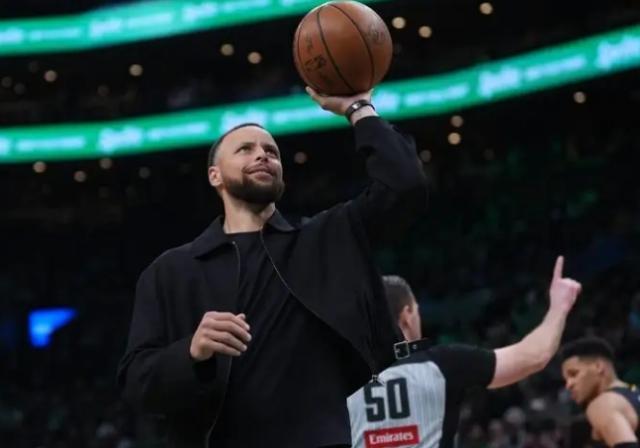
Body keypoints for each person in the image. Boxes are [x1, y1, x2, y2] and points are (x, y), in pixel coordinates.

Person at [116, 87, 428, 448]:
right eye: (245, 149)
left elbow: (405, 185)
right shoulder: (171, 271)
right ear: (215, 176)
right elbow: (137, 385)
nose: (263, 155)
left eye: (271, 151)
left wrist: (358, 108)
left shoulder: (326, 238)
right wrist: (192, 352)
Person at [347, 256, 582, 448]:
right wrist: (559, 307)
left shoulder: (341, 383)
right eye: (417, 311)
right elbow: (533, 356)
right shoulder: (442, 364)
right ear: (407, 316)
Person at [560, 337, 639, 447]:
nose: (568, 385)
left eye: (574, 374)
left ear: (598, 367)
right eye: (566, 380)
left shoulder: (603, 404)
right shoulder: (634, 394)